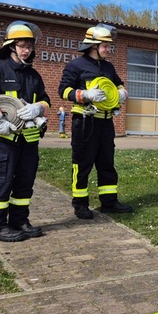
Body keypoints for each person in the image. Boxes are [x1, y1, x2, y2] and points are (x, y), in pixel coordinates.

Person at [0, 20, 50, 242]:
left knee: (25, 181)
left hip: (29, 138)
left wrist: (39, 108)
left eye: (30, 46)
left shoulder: (34, 75)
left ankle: (19, 222)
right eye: (23, 46)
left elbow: (45, 100)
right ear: (11, 46)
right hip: (4, 137)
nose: (27, 50)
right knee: (2, 181)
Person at [58, 23, 133, 219]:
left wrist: (122, 91)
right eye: (105, 46)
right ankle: (80, 204)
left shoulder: (108, 66)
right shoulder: (75, 66)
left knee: (106, 162)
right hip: (85, 123)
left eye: (109, 46)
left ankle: (109, 202)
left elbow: (118, 83)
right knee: (82, 164)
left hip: (105, 123)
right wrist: (85, 94)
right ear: (93, 46)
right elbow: (64, 90)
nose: (109, 49)